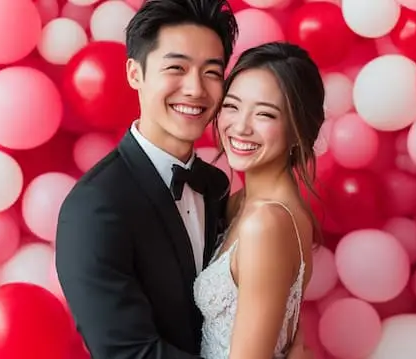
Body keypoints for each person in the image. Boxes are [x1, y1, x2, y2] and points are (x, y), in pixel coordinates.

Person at [55, 0, 314, 358]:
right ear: (135, 74)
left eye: (211, 72)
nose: (195, 89)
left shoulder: (216, 187)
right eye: (176, 67)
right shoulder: (95, 208)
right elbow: (128, 353)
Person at [193, 42, 326, 359]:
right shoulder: (241, 203)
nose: (240, 127)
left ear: (298, 130)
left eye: (265, 114)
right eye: (232, 105)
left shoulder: (266, 224)